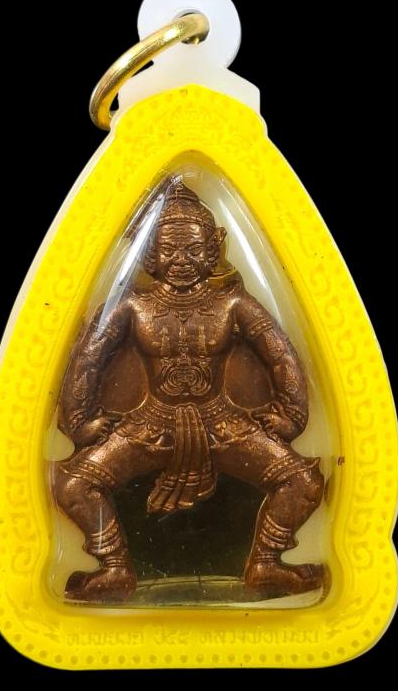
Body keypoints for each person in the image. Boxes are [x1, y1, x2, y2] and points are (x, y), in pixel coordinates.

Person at [52, 181, 326, 602]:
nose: (181, 260)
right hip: (149, 424)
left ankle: (266, 564)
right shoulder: (133, 306)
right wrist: (80, 423)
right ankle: (114, 568)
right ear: (150, 256)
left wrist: (292, 416)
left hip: (222, 422)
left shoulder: (232, 304)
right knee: (73, 486)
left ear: (214, 250)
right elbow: (87, 362)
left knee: (303, 482)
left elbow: (281, 356)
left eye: (194, 250)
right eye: (169, 251)